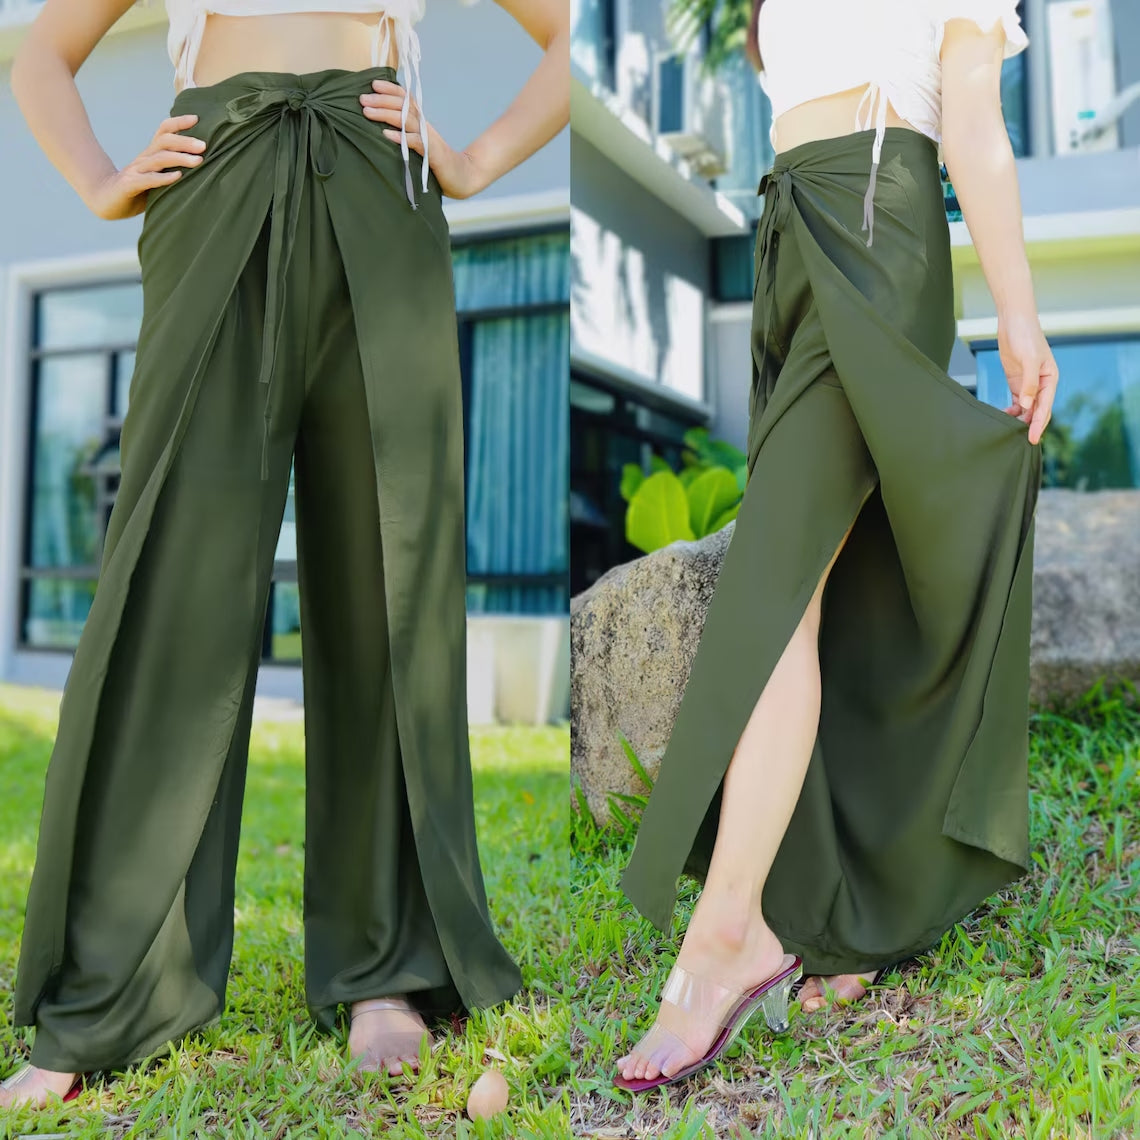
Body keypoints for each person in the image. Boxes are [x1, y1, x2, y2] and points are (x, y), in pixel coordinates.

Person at [1, 0, 568, 1109]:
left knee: (386, 578)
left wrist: (474, 157)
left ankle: (384, 969)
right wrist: (99, 178)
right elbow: (44, 52)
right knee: (170, 580)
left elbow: (564, 34)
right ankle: (115, 983)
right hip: (214, 178)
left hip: (379, 173)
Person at [613, 0, 1057, 1091]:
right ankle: (839, 917)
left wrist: (1020, 311)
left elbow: (973, 134)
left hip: (875, 236)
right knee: (815, 591)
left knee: (771, 593)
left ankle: (724, 935)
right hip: (793, 235)